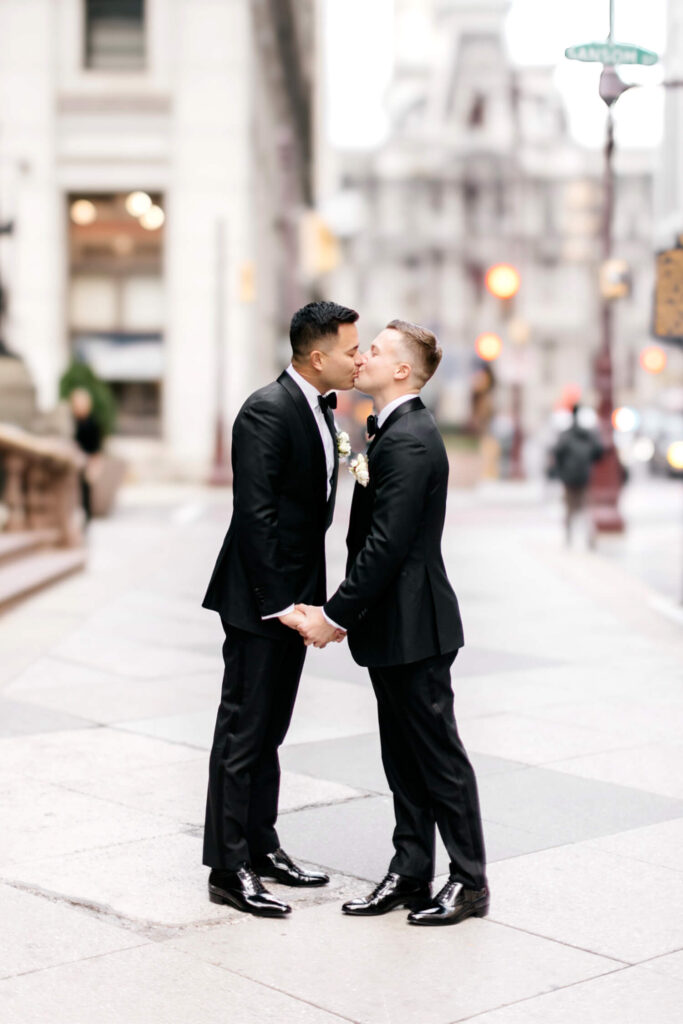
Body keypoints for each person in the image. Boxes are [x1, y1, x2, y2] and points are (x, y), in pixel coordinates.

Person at [297, 320, 488, 927]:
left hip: (416, 624)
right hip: (393, 624)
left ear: (402, 370)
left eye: (373, 350)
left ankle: (469, 880)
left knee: (437, 756)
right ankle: (410, 872)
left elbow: (385, 546)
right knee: (402, 754)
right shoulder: (392, 429)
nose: (362, 357)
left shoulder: (409, 438)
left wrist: (334, 615)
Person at [201, 300, 361, 918]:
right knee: (243, 732)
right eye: (351, 349)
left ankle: (262, 845)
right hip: (260, 602)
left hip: (297, 595)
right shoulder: (265, 411)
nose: (358, 358)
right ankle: (227, 865)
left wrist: (311, 601)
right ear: (317, 356)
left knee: (271, 730)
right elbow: (256, 517)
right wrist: (283, 607)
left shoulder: (321, 410)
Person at [552, 404, 604, 547]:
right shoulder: (588, 433)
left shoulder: (566, 433)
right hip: (584, 476)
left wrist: (561, 470)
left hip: (569, 477)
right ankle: (590, 538)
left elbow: (557, 452)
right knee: (586, 508)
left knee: (569, 509)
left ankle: (568, 538)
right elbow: (598, 451)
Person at [70, 388, 103, 522]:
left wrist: (94, 465)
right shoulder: (71, 422)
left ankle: (86, 521)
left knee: (85, 493)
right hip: (72, 462)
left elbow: (96, 448)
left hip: (86, 462)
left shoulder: (92, 423)